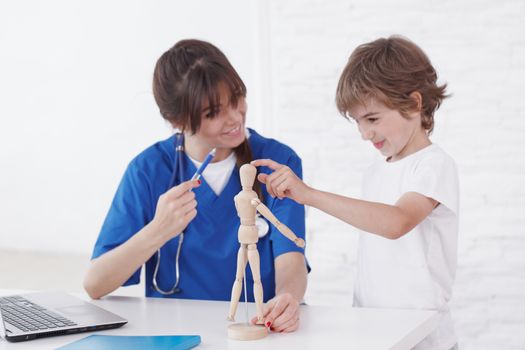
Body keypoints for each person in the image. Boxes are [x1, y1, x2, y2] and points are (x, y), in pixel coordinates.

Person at [83, 39, 308, 333]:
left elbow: (291, 259)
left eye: (237, 97)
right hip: (177, 333)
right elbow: (95, 284)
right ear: (177, 120)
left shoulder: (277, 161)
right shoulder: (149, 171)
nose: (235, 117)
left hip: (255, 331)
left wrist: (287, 299)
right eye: (213, 113)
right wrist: (158, 230)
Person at [252, 36, 459, 349]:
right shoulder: (376, 172)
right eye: (358, 122)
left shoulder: (433, 165)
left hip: (423, 338)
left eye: (373, 119)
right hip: (376, 332)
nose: (365, 133)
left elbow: (396, 223)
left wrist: (309, 194)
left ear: (415, 104)